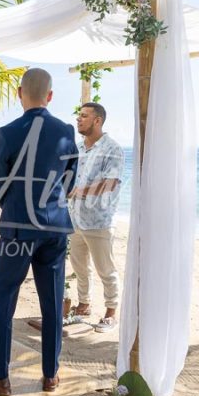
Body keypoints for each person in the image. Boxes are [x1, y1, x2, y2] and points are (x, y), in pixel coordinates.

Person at [0, 68, 77, 396]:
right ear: (50, 96)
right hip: (55, 229)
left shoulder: (8, 132)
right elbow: (70, 180)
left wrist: (16, 210)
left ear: (19, 93)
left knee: (2, 298)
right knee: (52, 301)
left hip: (18, 229)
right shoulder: (66, 130)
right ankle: (51, 375)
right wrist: (51, 204)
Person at [67, 102, 125, 333]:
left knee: (105, 269)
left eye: (84, 116)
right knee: (80, 267)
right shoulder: (78, 148)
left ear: (97, 120)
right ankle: (83, 305)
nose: (78, 119)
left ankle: (111, 313)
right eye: (78, 116)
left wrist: (76, 192)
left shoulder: (112, 149)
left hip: (99, 221)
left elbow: (110, 184)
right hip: (74, 219)